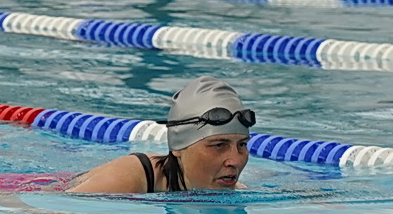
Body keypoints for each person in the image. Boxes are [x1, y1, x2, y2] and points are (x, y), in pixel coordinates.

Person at [68, 76, 254, 194]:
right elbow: (57, 210)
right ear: (179, 147)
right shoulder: (129, 178)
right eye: (218, 145)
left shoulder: (234, 188)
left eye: (242, 145)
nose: (235, 161)